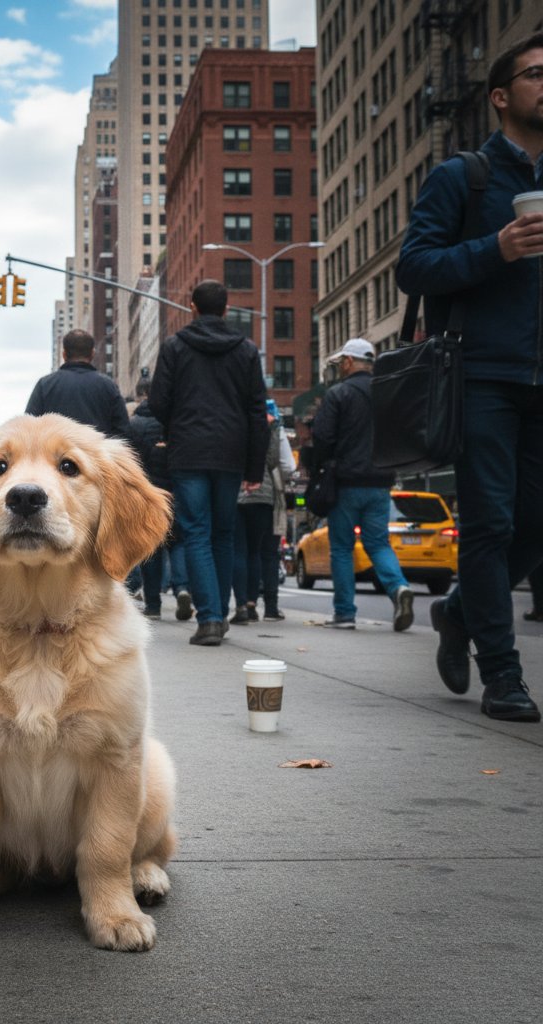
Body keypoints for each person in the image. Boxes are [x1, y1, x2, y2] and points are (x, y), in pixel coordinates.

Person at [396, 32, 543, 722]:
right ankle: (503, 675)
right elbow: (415, 267)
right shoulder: (466, 177)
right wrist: (497, 248)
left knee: (533, 526)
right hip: (482, 374)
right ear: (501, 96)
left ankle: (457, 611)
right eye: (537, 73)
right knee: (489, 524)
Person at [149, 280, 269, 647]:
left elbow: (158, 402)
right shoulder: (246, 350)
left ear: (192, 308)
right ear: (227, 309)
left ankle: (211, 618)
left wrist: (174, 427)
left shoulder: (174, 348)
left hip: (188, 451)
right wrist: (254, 468)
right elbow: (256, 412)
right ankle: (217, 611)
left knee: (196, 531)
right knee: (223, 534)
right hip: (231, 455)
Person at [310, 338, 414, 631]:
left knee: (342, 548)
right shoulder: (387, 393)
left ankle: (344, 613)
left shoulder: (338, 394)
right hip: (381, 480)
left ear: (348, 363)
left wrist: (322, 465)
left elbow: (324, 437)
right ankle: (399, 588)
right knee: (378, 543)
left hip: (346, 481)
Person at [124, 377, 191, 621]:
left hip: (147, 494)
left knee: (151, 547)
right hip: (175, 491)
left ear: (141, 396)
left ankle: (153, 604)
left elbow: (129, 464)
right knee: (178, 543)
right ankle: (182, 587)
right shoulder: (173, 422)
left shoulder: (133, 425)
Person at [231, 400, 295, 624]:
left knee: (239, 551)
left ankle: (240, 605)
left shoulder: (235, 422)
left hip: (237, 493)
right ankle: (253, 604)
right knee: (258, 551)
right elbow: (288, 466)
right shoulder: (274, 427)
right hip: (265, 494)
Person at [25, 329, 129, 436]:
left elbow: (28, 427)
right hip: (97, 452)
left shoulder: (44, 385)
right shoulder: (109, 386)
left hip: (55, 452)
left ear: (64, 354)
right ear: (92, 354)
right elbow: (123, 431)